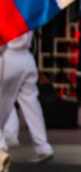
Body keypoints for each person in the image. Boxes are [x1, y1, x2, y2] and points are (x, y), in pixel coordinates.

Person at [0, 31, 54, 163]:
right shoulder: (25, 9)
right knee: (32, 105)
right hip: (27, 57)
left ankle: (1, 148)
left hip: (7, 56)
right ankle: (43, 147)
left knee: (3, 105)